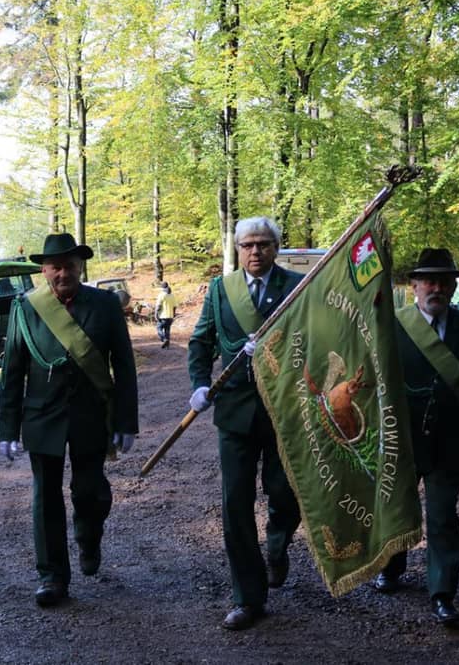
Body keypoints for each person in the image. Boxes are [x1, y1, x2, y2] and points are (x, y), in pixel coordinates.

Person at [0, 232, 139, 608]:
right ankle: (52, 576)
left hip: (91, 414)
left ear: (81, 267)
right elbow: (12, 371)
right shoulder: (25, 307)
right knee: (45, 497)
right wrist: (7, 428)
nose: (63, 273)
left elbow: (124, 366)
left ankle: (89, 538)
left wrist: (126, 421)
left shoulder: (105, 304)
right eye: (55, 267)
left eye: (70, 266)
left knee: (90, 492)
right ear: (44, 271)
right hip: (42, 417)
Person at [187, 216, 303, 631]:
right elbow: (201, 341)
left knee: (285, 493)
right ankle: (247, 598)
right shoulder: (221, 290)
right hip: (235, 411)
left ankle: (277, 544)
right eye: (248, 245)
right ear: (237, 250)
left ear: (276, 247)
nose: (255, 251)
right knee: (235, 503)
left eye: (263, 244)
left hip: (284, 410)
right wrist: (200, 385)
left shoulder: (297, 286)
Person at [372, 248, 459, 628]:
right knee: (398, 508)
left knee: (442, 517)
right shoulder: (393, 325)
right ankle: (391, 568)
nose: (436, 288)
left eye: (444, 282)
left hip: (451, 441)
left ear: (453, 287)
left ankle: (442, 593)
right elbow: (378, 382)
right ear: (414, 286)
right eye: (429, 281)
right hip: (404, 439)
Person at [155, 281, 176, 348]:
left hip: (162, 316)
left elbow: (158, 306)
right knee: (167, 330)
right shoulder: (172, 296)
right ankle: (167, 345)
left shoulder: (161, 295)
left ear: (161, 288)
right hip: (170, 316)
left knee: (159, 328)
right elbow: (174, 307)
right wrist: (173, 315)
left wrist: (156, 314)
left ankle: (164, 339)